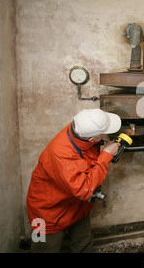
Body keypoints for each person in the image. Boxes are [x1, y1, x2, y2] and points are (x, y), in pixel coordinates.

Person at [26, 108, 122, 253]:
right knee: (43, 249)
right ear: (91, 139)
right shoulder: (60, 153)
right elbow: (84, 189)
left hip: (77, 206)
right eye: (103, 133)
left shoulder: (79, 131)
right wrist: (106, 155)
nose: (106, 135)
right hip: (47, 213)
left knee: (83, 245)